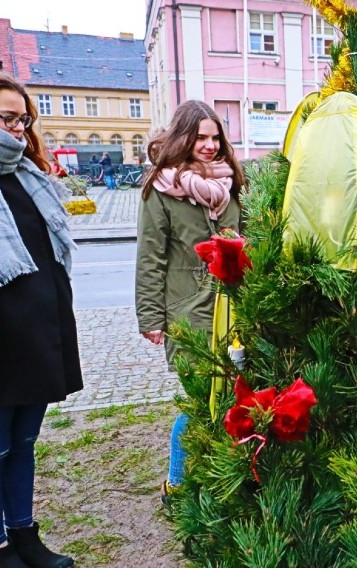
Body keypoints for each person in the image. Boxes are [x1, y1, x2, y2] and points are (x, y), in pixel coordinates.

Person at [0, 71, 81, 568]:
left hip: (40, 331)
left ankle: (24, 535)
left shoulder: (29, 175)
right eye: (7, 117)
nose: (18, 129)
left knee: (23, 444)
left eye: (24, 119)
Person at [135, 100, 243, 503]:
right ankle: (177, 484)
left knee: (232, 394)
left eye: (216, 137)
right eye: (201, 138)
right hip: (187, 313)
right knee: (201, 398)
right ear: (183, 138)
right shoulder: (159, 190)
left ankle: (222, 478)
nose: (211, 145)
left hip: (234, 311)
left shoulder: (232, 183)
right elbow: (151, 257)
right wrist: (150, 316)